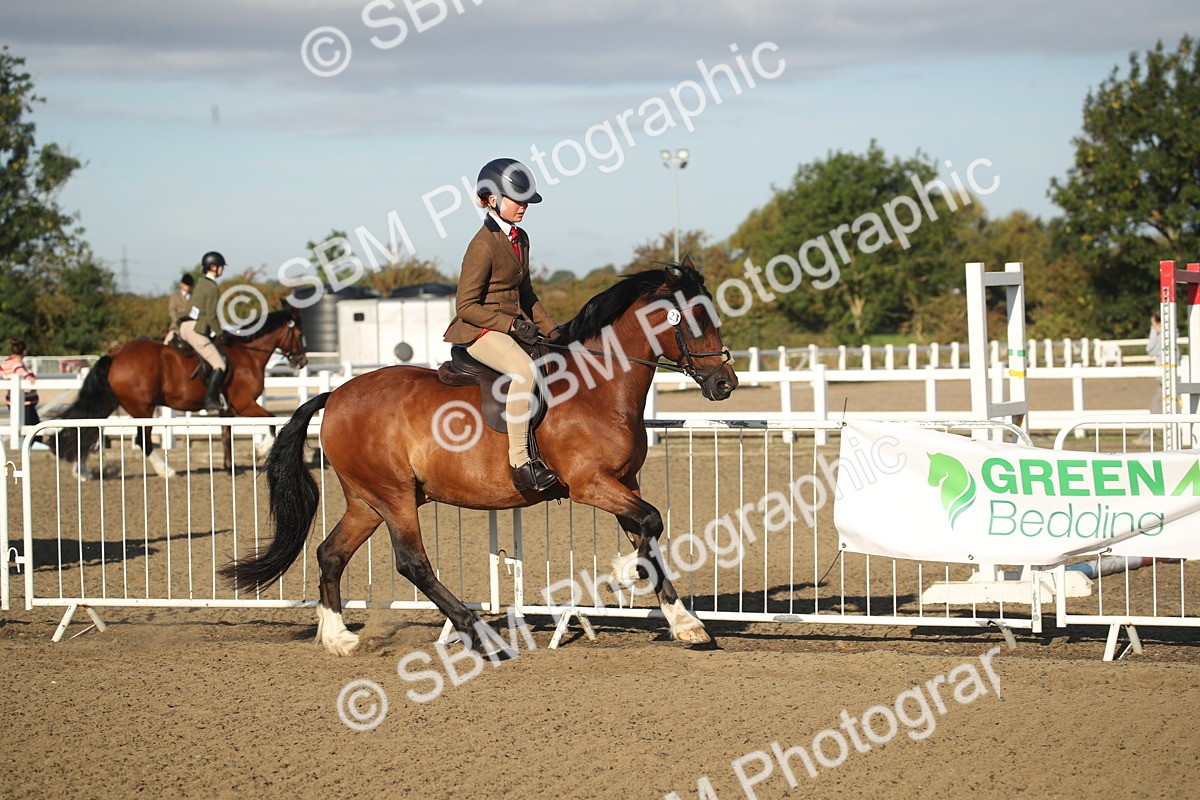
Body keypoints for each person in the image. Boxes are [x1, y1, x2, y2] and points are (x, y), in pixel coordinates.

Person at [443, 158, 561, 493]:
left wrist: (552, 329)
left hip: (509, 327)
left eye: (526, 201)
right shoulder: (482, 245)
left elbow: (526, 292)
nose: (524, 206)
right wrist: (510, 325)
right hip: (478, 330)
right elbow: (465, 306)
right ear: (492, 199)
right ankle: (520, 463)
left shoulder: (520, 238)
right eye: (517, 200)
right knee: (524, 371)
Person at [179, 251, 229, 411]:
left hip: (185, 327)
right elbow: (211, 315)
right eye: (221, 267)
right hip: (196, 330)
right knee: (220, 365)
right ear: (213, 267)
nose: (222, 269)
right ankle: (210, 400)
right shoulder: (212, 287)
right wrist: (220, 333)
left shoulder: (200, 283)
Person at [1, 339, 40, 430]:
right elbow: (21, 373)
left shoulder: (6, 362)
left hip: (13, 400)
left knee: (24, 429)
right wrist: (30, 377)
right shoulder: (16, 364)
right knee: (34, 431)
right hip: (24, 402)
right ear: (24, 351)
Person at [164, 273, 196, 344]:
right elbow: (171, 311)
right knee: (166, 343)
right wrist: (176, 320)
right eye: (186, 285)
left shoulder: (194, 297)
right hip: (177, 328)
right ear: (182, 284)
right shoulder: (175, 297)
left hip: (190, 327)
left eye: (189, 285)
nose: (187, 287)